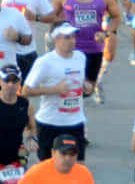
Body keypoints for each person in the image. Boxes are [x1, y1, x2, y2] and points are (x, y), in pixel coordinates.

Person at [22, 25, 90, 160]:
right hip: (50, 123)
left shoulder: (80, 57)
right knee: (47, 168)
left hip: (75, 122)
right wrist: (55, 90)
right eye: (67, 37)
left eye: (73, 37)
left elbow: (80, 82)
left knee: (78, 167)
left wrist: (86, 86)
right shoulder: (45, 62)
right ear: (55, 39)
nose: (71, 40)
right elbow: (26, 90)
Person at [18, 133, 92, 184]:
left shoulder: (84, 173)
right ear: (53, 153)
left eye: (72, 154)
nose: (67, 158)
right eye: (63, 153)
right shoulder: (36, 173)